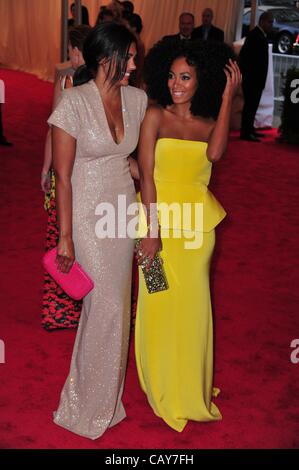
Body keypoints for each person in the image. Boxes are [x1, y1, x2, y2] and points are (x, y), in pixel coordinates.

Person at [135, 39, 241, 432]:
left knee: (193, 311)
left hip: (197, 234)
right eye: (172, 76)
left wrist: (229, 95)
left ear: (202, 82)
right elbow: (147, 176)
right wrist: (151, 232)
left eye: (186, 77)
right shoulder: (154, 116)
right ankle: (161, 383)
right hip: (151, 227)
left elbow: (214, 156)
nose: (177, 84)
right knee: (156, 304)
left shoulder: (209, 125)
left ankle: (190, 388)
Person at [48, 22, 147, 439]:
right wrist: (65, 235)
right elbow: (63, 176)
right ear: (105, 58)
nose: (134, 63)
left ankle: (106, 401)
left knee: (117, 308)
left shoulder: (138, 100)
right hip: (87, 215)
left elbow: (136, 165)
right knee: (103, 307)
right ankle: (83, 406)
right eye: (128, 56)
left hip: (124, 210)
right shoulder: (73, 102)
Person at [41, 25, 91, 331]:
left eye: (72, 49)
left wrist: (46, 168)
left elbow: (53, 130)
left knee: (63, 235)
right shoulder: (104, 84)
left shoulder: (68, 82)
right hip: (87, 172)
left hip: (70, 171)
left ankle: (64, 310)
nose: (70, 56)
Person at [239, 11, 273, 142]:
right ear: (262, 21)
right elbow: (246, 58)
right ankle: (246, 132)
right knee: (250, 106)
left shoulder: (259, 35)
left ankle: (250, 129)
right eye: (270, 22)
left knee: (253, 106)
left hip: (255, 79)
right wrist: (248, 77)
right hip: (252, 80)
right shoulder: (255, 35)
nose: (271, 25)